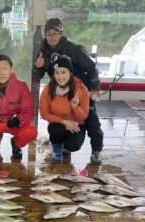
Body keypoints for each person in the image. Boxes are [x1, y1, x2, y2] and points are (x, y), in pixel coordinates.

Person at [32, 18, 104, 164]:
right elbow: (37, 76)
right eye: (49, 33)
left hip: (80, 90)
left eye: (55, 33)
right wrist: (38, 67)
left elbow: (91, 67)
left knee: (92, 122)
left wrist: (95, 88)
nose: (52, 36)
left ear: (61, 33)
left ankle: (96, 151)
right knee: (59, 121)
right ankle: (60, 144)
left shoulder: (73, 48)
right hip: (58, 89)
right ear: (45, 34)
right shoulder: (42, 51)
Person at [40, 54, 89, 161]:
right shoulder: (47, 90)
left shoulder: (81, 89)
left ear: (70, 73)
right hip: (58, 124)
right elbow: (44, 114)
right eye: (57, 73)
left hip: (76, 123)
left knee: (74, 145)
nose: (60, 76)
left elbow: (83, 116)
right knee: (56, 130)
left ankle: (66, 147)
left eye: (63, 72)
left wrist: (75, 107)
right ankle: (56, 146)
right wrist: (64, 122)